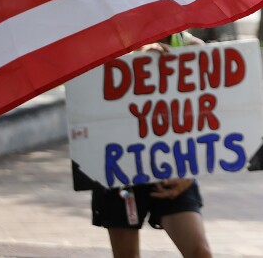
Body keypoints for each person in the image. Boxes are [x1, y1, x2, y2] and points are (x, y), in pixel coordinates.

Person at [90, 32, 213, 258]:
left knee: (199, 252)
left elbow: (206, 120)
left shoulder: (188, 44)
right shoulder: (108, 31)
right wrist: (136, 59)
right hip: (121, 168)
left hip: (173, 169)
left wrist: (190, 171)